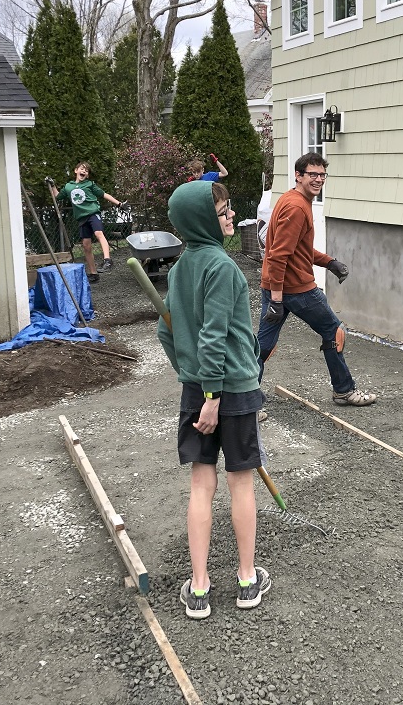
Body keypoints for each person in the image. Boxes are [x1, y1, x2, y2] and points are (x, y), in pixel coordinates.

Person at [157, 180, 272, 620]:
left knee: (201, 485)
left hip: (198, 388)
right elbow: (213, 336)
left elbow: (165, 332)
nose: (231, 216)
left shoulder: (179, 269)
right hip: (230, 390)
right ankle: (246, 580)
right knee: (240, 482)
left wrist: (190, 375)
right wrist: (211, 394)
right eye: (224, 212)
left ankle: (200, 588)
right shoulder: (221, 267)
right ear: (203, 219)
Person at [257, 152, 377, 407]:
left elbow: (296, 248)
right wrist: (277, 299)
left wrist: (329, 262)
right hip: (296, 290)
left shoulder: (291, 199)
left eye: (322, 175)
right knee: (334, 332)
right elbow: (278, 255)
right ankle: (344, 390)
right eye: (312, 174)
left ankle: (243, 400)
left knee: (264, 345)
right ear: (298, 175)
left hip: (275, 285)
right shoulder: (297, 207)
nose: (319, 179)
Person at [50, 161, 123, 284]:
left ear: (87, 175)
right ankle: (93, 273)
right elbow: (57, 196)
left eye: (86, 171)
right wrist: (52, 185)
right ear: (76, 171)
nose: (84, 171)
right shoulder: (68, 186)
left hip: (93, 214)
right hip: (81, 218)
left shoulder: (90, 184)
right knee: (86, 245)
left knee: (99, 233)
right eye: (82, 169)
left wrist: (119, 204)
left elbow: (104, 194)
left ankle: (107, 260)